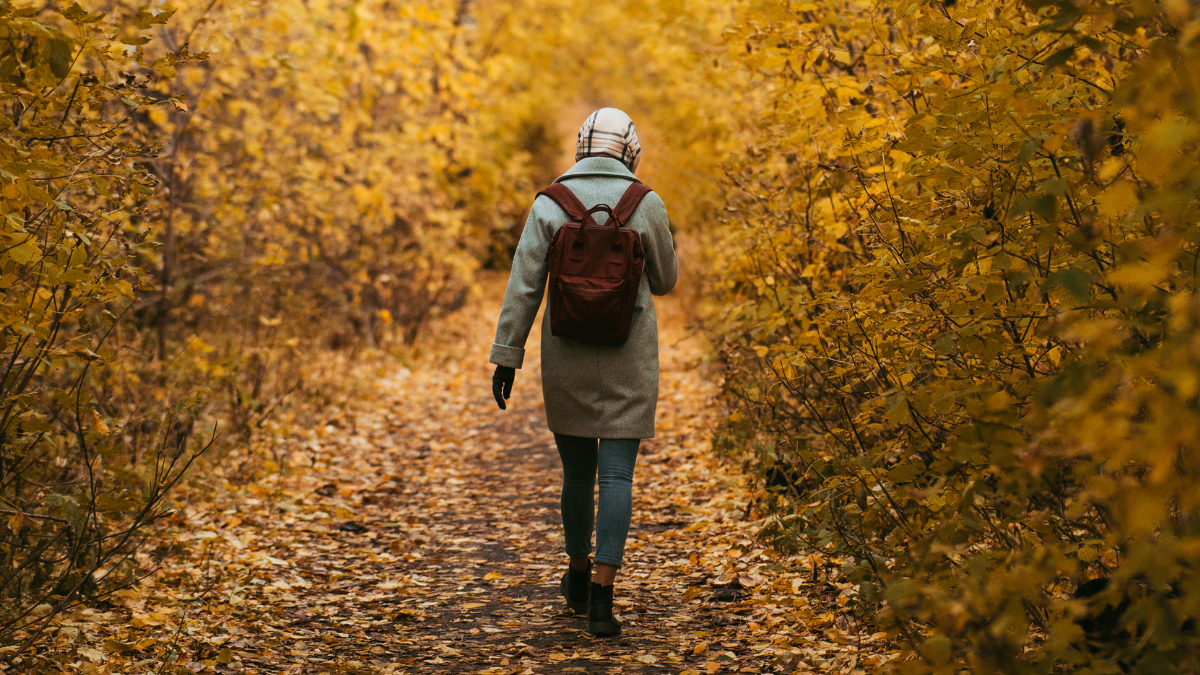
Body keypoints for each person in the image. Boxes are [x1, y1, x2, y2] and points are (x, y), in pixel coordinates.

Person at [488, 108, 678, 637]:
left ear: (582, 146)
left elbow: (524, 285)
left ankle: (573, 573)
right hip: (630, 358)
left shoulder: (551, 203)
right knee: (617, 475)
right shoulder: (647, 203)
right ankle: (601, 594)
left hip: (565, 355)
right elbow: (664, 281)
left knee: (578, 474)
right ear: (630, 150)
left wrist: (507, 354)